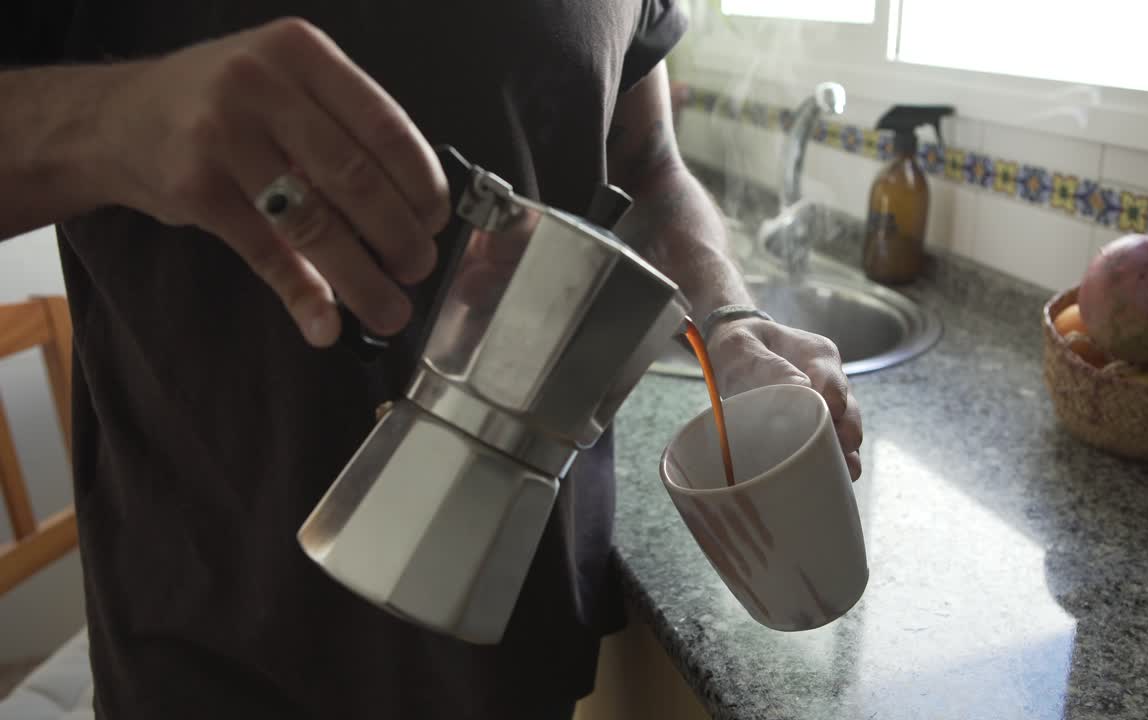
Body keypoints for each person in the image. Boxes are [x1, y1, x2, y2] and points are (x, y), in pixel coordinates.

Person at [1, 3, 862, 718]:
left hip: (514, 627)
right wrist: (107, 120)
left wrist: (730, 320)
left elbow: (648, 165)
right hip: (215, 625)